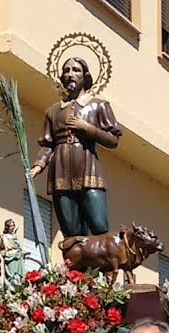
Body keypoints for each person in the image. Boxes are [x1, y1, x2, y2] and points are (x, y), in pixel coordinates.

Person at [30, 57, 121, 237]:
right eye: (67, 71)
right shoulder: (53, 112)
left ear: (85, 76)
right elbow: (48, 144)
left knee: (99, 224)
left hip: (88, 170)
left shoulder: (98, 106)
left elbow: (113, 139)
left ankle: (103, 263)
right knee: (71, 231)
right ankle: (75, 265)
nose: (71, 74)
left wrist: (86, 128)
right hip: (60, 172)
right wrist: (38, 165)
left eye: (76, 70)